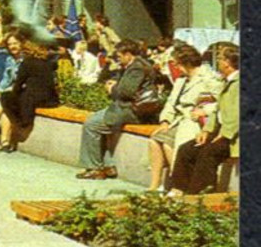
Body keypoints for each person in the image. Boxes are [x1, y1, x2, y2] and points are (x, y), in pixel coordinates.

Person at [76, 40, 159, 180]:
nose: (118, 59)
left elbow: (126, 92)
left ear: (128, 54)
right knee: (100, 123)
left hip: (130, 110)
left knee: (91, 124)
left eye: (119, 56)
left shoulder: (137, 68)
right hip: (129, 108)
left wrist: (112, 88)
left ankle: (94, 168)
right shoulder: (137, 65)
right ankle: (108, 166)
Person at [147, 43, 222, 192]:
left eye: (176, 62)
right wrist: (165, 120)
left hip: (195, 122)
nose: (174, 65)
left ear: (186, 62)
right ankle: (155, 186)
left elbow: (223, 102)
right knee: (154, 141)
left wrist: (205, 110)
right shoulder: (181, 80)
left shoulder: (209, 78)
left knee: (169, 144)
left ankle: (178, 185)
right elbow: (171, 102)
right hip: (180, 120)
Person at [169, 42, 239, 195]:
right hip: (220, 131)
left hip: (234, 135)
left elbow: (238, 115)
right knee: (187, 149)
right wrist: (207, 130)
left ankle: (200, 194)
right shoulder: (226, 81)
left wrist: (224, 134)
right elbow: (217, 111)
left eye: (220, 59)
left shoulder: (239, 83)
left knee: (207, 153)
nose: (218, 62)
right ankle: (179, 189)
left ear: (227, 63)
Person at [0, 37, 58, 152]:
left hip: (33, 98)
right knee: (8, 101)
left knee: (6, 100)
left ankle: (4, 138)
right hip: (50, 99)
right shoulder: (49, 63)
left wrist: (13, 94)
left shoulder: (27, 63)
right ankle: (1, 137)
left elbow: (18, 84)